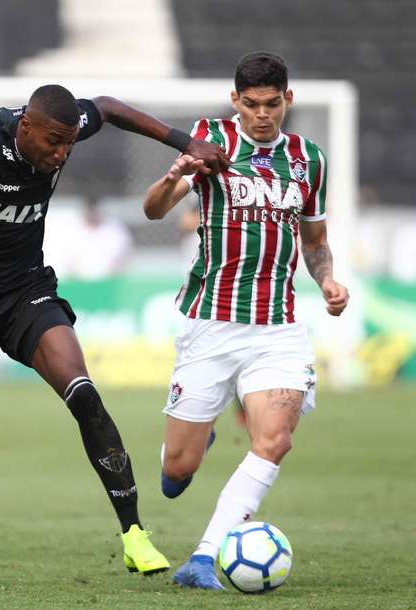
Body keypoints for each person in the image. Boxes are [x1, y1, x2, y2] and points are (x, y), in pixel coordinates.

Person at [0, 83, 229, 573]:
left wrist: (185, 142)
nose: (61, 153)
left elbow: (111, 107)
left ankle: (135, 534)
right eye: (53, 141)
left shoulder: (62, 129)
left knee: (84, 393)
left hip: (23, 290)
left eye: (69, 143)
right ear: (26, 126)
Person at [142, 51, 350, 589]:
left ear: (288, 100)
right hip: (209, 324)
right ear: (235, 101)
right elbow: (154, 209)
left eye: (273, 104)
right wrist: (176, 172)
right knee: (176, 472)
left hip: (278, 328)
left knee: (275, 439)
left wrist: (326, 279)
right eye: (252, 104)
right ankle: (189, 446)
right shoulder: (210, 140)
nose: (263, 115)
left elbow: (316, 242)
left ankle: (205, 556)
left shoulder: (309, 160)